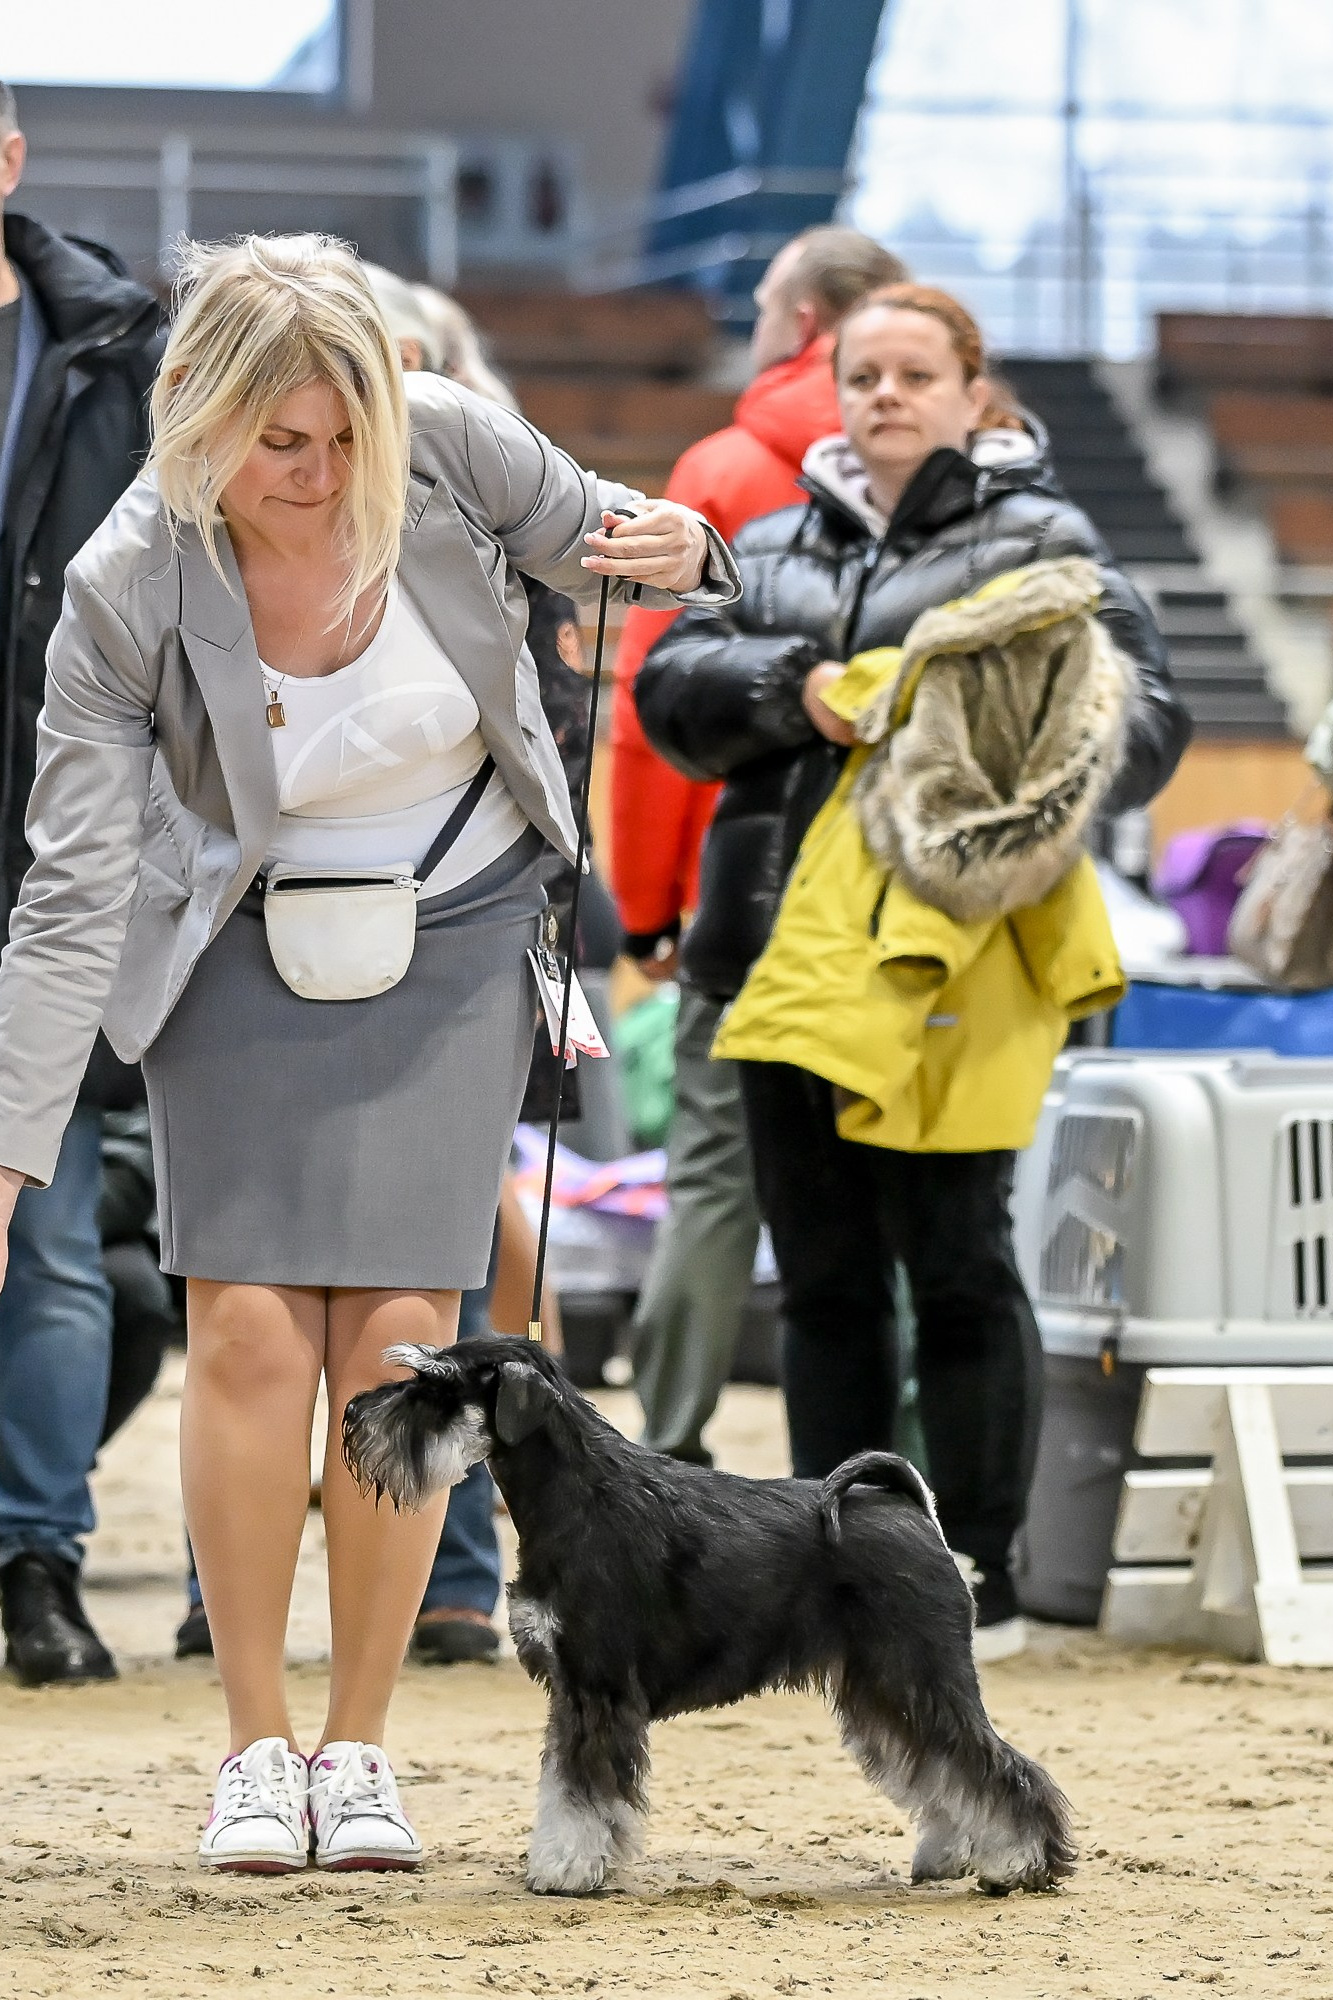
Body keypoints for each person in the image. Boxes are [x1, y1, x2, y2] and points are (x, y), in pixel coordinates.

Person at [0, 232, 737, 1870]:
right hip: (237, 942)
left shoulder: (447, 439)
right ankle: (254, 1745)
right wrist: (8, 1146)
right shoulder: (129, 578)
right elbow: (69, 891)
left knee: (404, 1336)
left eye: (347, 436)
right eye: (281, 443)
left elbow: (629, 543)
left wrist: (690, 545)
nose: (324, 472)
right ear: (196, 421)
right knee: (252, 1333)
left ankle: (361, 1750)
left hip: (460, 928)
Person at [635, 283, 1191, 1656]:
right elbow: (668, 695)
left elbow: (1149, 723)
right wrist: (797, 692)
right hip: (771, 948)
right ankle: (843, 1558)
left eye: (913, 374)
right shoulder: (763, 543)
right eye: (862, 373)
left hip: (966, 950)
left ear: (970, 391)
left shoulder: (1044, 538)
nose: (884, 395)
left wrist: (1003, 785)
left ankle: (982, 1568)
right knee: (817, 1272)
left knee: (954, 1257)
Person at [611, 226, 907, 1465]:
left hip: (751, 887)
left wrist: (647, 905)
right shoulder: (940, 480)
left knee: (716, 1180)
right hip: (904, 899)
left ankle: (666, 1447)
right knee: (896, 1188)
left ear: (799, 321)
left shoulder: (722, 469)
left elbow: (654, 721)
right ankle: (897, 1467)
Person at [0, 80, 163, 1686]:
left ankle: (37, 1563)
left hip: (52, 852)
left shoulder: (120, 346)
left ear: (11, 161)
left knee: (45, 1235)